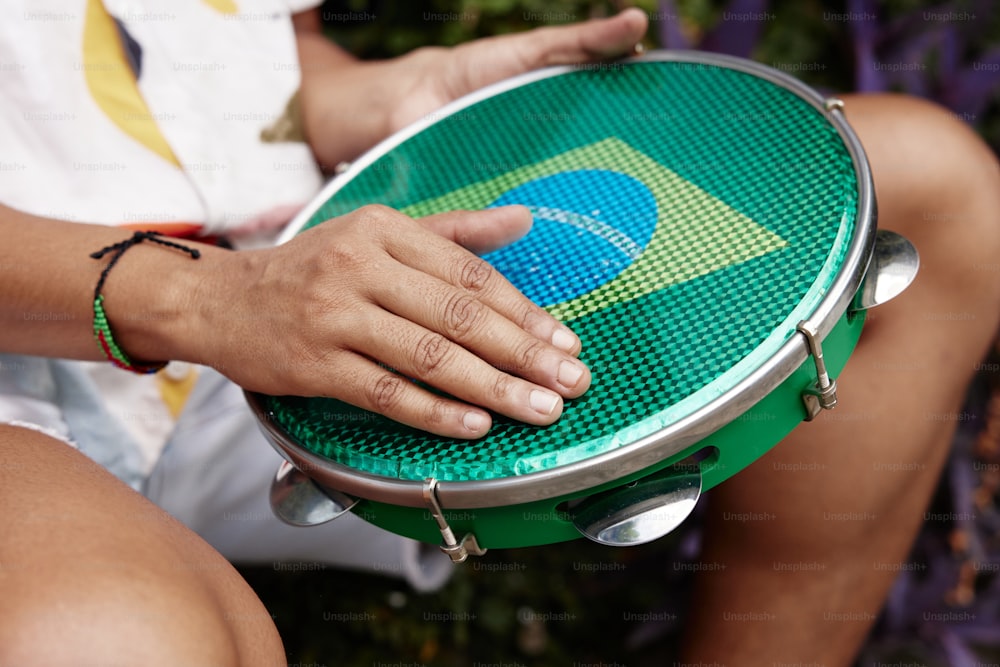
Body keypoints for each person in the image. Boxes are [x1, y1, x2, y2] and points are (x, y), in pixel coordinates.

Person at [0, 2, 997, 666]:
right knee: (121, 638)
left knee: (930, 184)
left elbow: (247, 57)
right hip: (33, 373)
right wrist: (209, 301)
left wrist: (377, 104)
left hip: (284, 264)